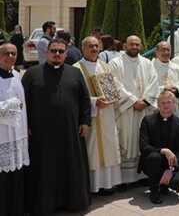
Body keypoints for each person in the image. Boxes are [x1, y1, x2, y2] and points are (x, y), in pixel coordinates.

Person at [22, 37, 91, 214]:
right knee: (45, 169)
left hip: (70, 131)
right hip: (41, 133)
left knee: (70, 167)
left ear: (66, 54)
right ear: (47, 53)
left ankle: (72, 202)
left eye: (61, 51)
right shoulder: (32, 74)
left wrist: (85, 122)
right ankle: (44, 204)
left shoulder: (75, 73)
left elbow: (84, 99)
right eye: (54, 51)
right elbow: (23, 103)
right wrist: (25, 125)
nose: (57, 54)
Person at [74, 36, 127, 194]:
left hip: (107, 115)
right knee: (92, 151)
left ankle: (108, 184)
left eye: (96, 46)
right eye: (90, 46)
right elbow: (74, 95)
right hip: (90, 117)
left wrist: (113, 98)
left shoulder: (105, 66)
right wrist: (94, 102)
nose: (94, 49)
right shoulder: (76, 68)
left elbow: (115, 87)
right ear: (83, 48)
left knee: (110, 148)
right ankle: (93, 186)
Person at [109, 35, 158, 183]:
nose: (135, 47)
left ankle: (142, 175)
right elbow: (114, 84)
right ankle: (125, 180)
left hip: (144, 110)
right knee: (125, 140)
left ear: (141, 46)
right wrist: (132, 101)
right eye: (132, 44)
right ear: (125, 46)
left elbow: (154, 82)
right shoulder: (115, 63)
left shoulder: (147, 63)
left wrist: (146, 101)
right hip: (125, 111)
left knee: (143, 141)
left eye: (137, 44)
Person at [139, 90, 179, 204]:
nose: (166, 105)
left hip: (171, 163)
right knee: (155, 157)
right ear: (158, 104)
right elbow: (143, 147)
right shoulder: (147, 120)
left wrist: (171, 169)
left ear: (174, 104)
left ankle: (164, 185)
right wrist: (163, 151)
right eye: (163, 103)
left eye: (169, 102)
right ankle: (154, 190)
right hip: (151, 161)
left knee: (176, 182)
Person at [0, 43, 28, 216]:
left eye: (13, 53)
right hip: (2, 135)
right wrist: (12, 105)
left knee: (16, 174)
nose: (10, 56)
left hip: (18, 134)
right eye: (6, 53)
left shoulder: (17, 75)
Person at [149, 41, 179, 122]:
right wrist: (164, 89)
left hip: (175, 109)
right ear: (156, 52)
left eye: (168, 50)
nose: (166, 52)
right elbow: (147, 89)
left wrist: (177, 90)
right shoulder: (150, 67)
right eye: (163, 50)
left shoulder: (177, 68)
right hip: (156, 108)